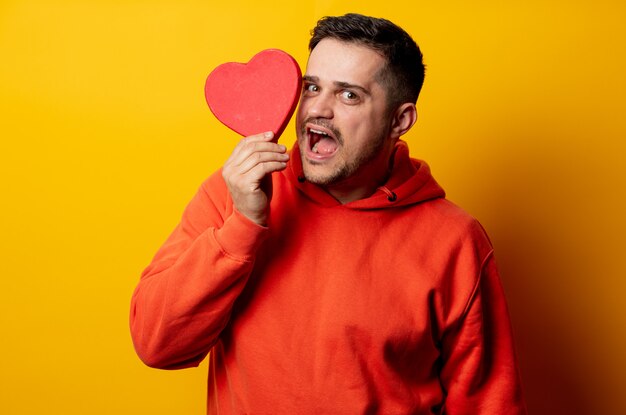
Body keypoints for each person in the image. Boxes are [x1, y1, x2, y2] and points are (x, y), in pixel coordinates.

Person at [130, 13, 526, 414]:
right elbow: (157, 344)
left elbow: (488, 402)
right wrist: (244, 226)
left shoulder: (455, 240)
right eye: (311, 87)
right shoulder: (235, 192)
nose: (317, 110)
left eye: (348, 95)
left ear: (399, 120)